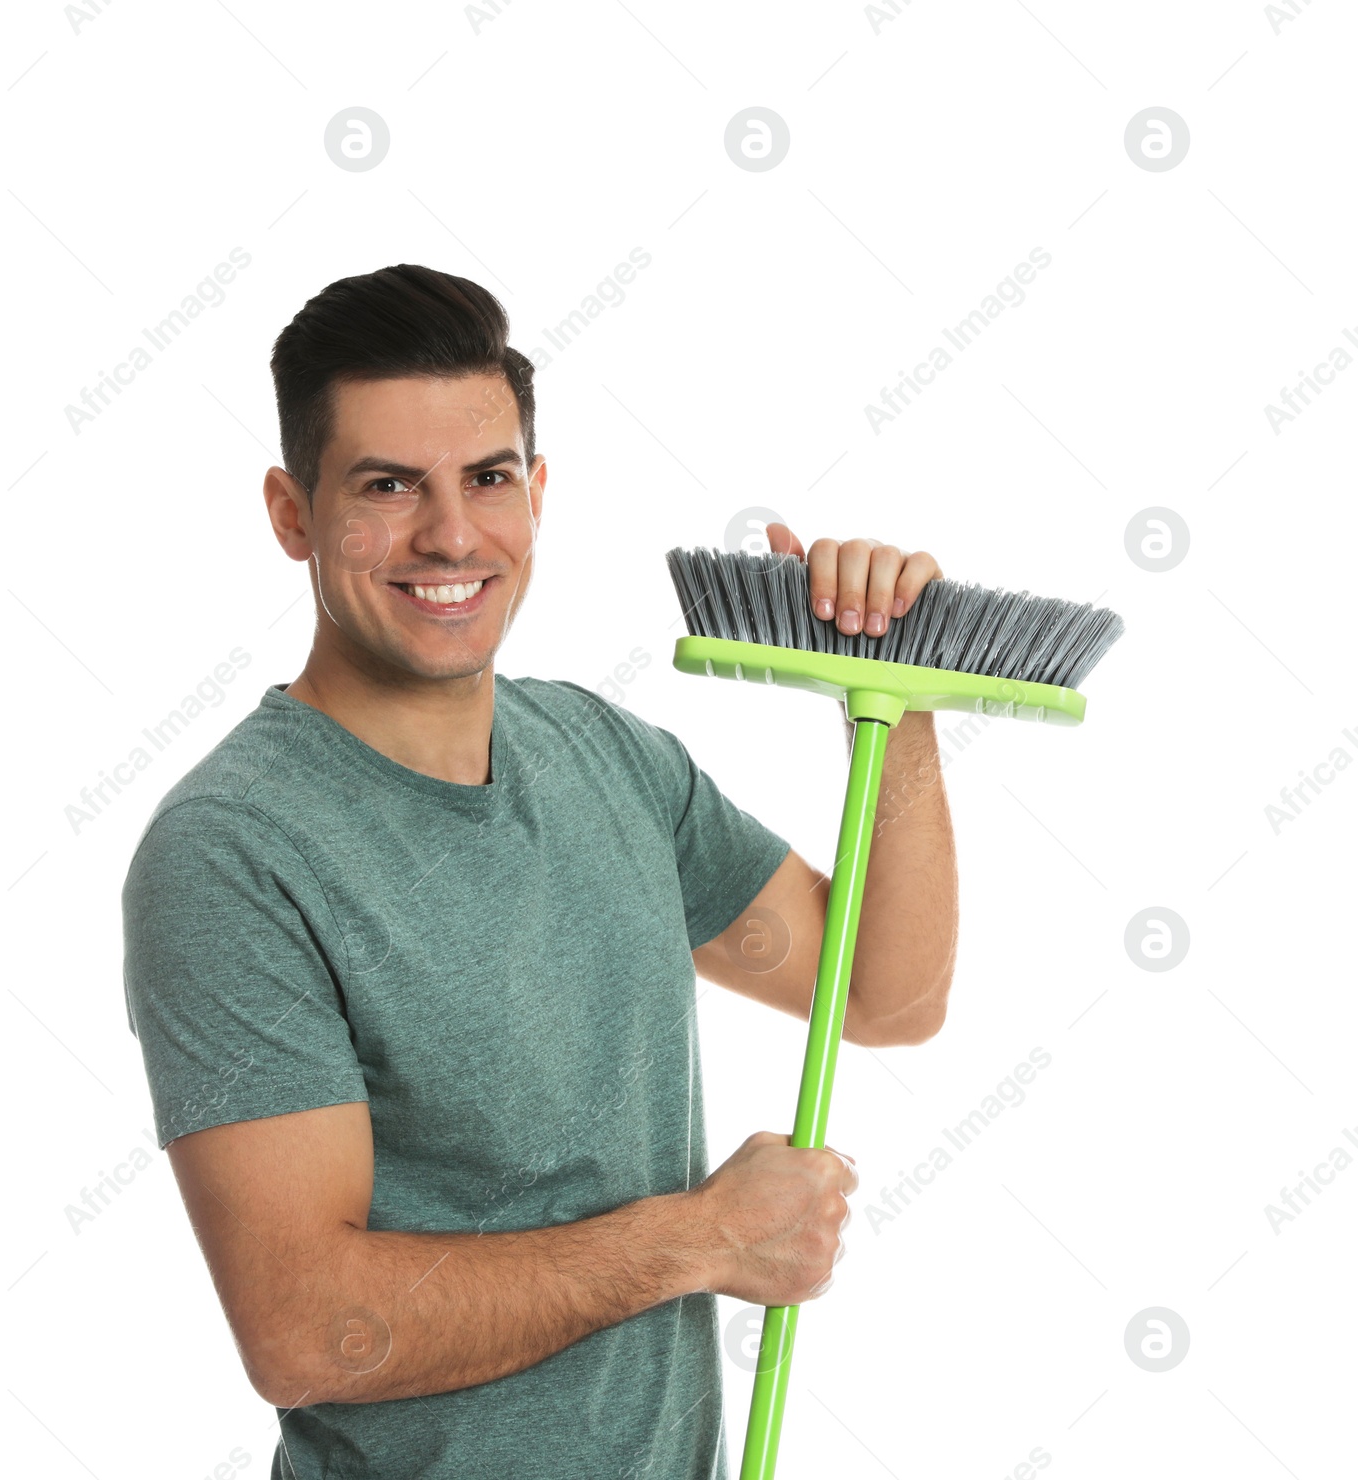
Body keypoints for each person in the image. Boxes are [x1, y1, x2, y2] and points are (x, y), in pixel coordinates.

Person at [121, 263, 958, 1478]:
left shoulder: (603, 758)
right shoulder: (235, 851)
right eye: (388, 485)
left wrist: (904, 703)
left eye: (488, 478)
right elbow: (306, 1328)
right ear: (292, 513)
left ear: (537, 490)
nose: (451, 535)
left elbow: (884, 995)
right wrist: (700, 1240)